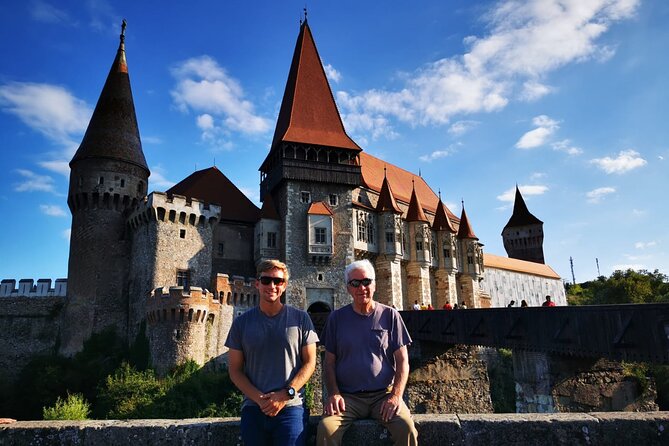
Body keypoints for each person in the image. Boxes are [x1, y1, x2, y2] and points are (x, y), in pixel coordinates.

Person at [317, 259, 418, 446]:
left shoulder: (390, 315)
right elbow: (329, 362)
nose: (361, 288)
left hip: (383, 396)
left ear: (375, 284)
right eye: (355, 283)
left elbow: (403, 361)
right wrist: (333, 393)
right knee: (326, 429)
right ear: (348, 288)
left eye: (366, 282)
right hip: (348, 398)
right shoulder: (336, 319)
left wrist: (396, 396)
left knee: (407, 428)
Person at [225, 259, 319, 446]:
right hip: (254, 407)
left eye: (278, 281)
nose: (272, 286)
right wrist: (260, 400)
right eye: (267, 280)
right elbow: (235, 370)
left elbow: (310, 363)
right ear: (257, 283)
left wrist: (286, 393)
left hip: (291, 407)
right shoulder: (241, 323)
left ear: (284, 286)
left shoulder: (301, 319)